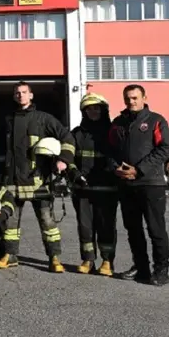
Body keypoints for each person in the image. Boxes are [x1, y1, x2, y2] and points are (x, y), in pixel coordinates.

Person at [0, 81, 75, 273]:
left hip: (39, 181)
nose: (20, 95)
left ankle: (54, 258)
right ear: (14, 96)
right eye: (17, 93)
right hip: (12, 181)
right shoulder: (7, 120)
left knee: (47, 222)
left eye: (24, 92)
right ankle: (10, 255)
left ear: (31, 95)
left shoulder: (44, 119)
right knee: (10, 223)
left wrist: (63, 159)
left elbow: (67, 138)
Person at [108, 84, 169, 286]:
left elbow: (164, 150)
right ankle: (141, 268)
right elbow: (110, 150)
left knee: (156, 229)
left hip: (151, 184)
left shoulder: (156, 121)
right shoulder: (117, 123)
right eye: (127, 98)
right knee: (133, 229)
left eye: (135, 98)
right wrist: (115, 168)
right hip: (126, 186)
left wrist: (139, 169)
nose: (131, 102)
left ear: (144, 97)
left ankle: (161, 270)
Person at [69, 93, 118, 277]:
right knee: (85, 226)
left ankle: (107, 261)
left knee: (106, 226)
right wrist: (74, 173)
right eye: (89, 109)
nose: (93, 111)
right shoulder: (76, 134)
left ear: (103, 109)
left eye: (96, 108)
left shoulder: (114, 131)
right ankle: (88, 259)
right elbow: (69, 157)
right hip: (83, 190)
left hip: (107, 189)